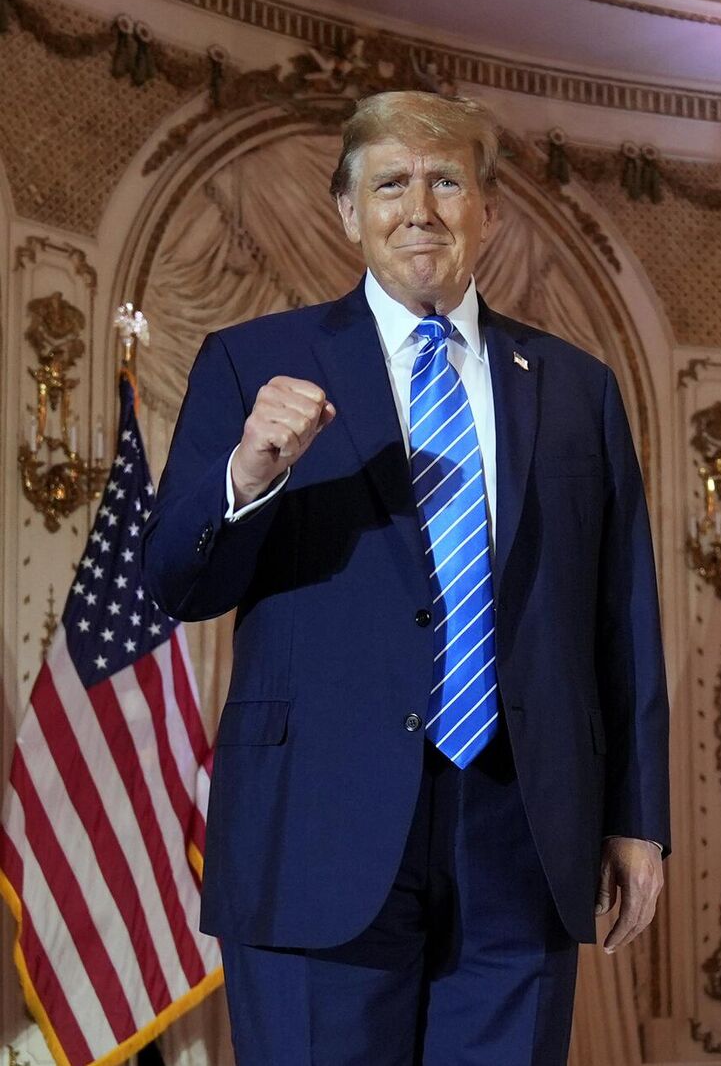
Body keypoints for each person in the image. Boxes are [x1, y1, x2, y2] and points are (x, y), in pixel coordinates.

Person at [144, 90, 669, 1064]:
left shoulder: (577, 389)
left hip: (523, 829)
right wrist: (247, 476)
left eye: (445, 183)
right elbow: (175, 582)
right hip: (314, 825)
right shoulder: (253, 363)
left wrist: (636, 819)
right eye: (390, 184)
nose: (419, 209)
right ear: (348, 212)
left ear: (488, 209)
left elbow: (621, 617)